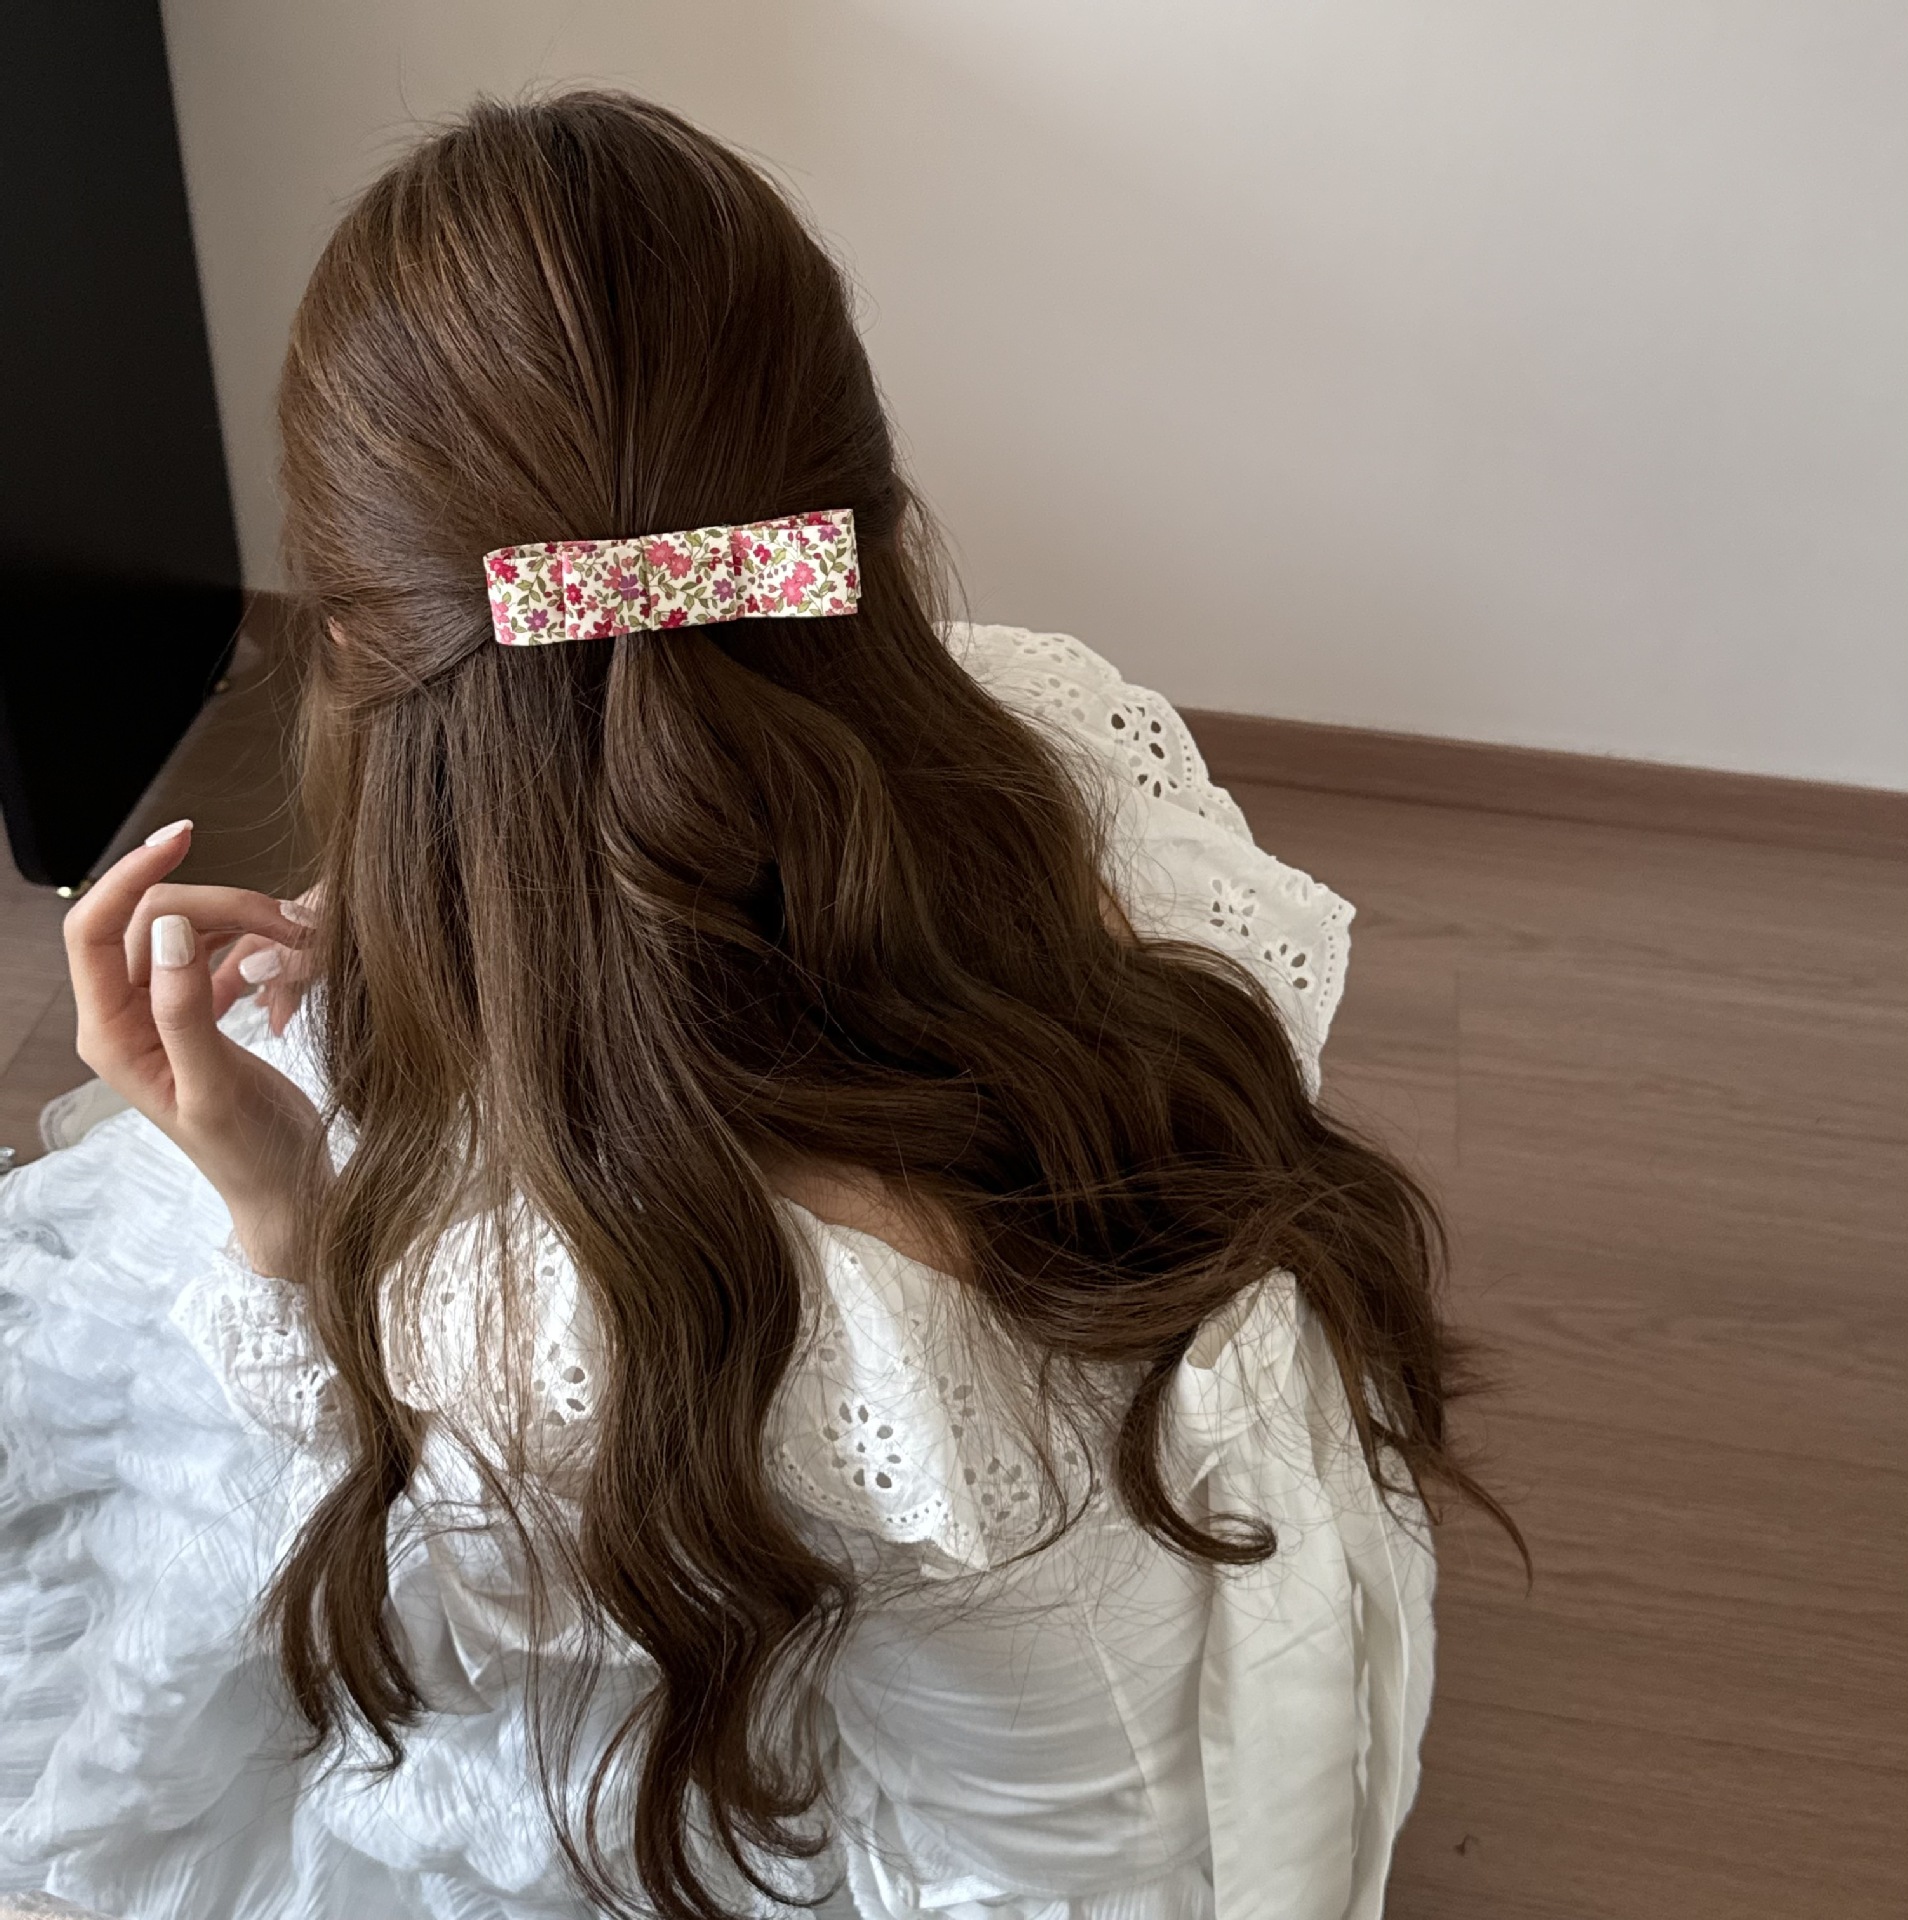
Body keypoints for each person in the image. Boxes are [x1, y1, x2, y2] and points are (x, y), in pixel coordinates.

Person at [0, 91, 1511, 1920]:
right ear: (863, 511)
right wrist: (462, 880)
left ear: (350, 643)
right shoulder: (1059, 755)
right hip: (1248, 1682)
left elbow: (444, 1634)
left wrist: (280, 1210)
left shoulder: (562, 1315)